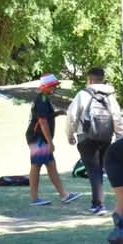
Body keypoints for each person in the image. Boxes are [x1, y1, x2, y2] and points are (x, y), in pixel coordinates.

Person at [66, 67, 123, 215]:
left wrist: (70, 134)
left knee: (93, 170)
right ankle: (121, 199)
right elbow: (117, 116)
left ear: (90, 79)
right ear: (102, 79)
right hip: (105, 137)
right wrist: (119, 136)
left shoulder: (82, 94)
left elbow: (72, 116)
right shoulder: (110, 96)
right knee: (104, 169)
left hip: (86, 137)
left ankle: (98, 205)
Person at [26, 74, 81, 207]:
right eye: (53, 86)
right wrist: (50, 142)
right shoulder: (42, 100)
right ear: (47, 86)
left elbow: (46, 116)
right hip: (38, 137)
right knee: (36, 166)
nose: (55, 88)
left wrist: (58, 113)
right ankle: (35, 198)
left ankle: (64, 195)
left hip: (39, 137)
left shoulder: (44, 98)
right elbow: (43, 122)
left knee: (50, 165)